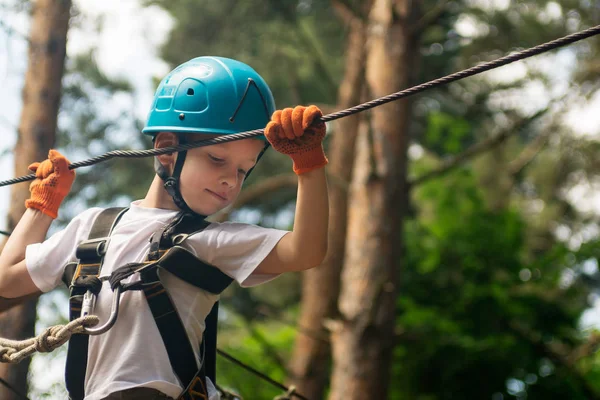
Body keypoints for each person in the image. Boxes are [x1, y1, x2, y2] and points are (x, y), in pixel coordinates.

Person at [0, 56, 329, 400]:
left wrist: (308, 164)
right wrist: (43, 205)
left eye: (243, 170)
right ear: (167, 148)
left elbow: (305, 251)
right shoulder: (92, 228)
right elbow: (7, 279)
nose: (230, 180)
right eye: (218, 159)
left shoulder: (212, 241)